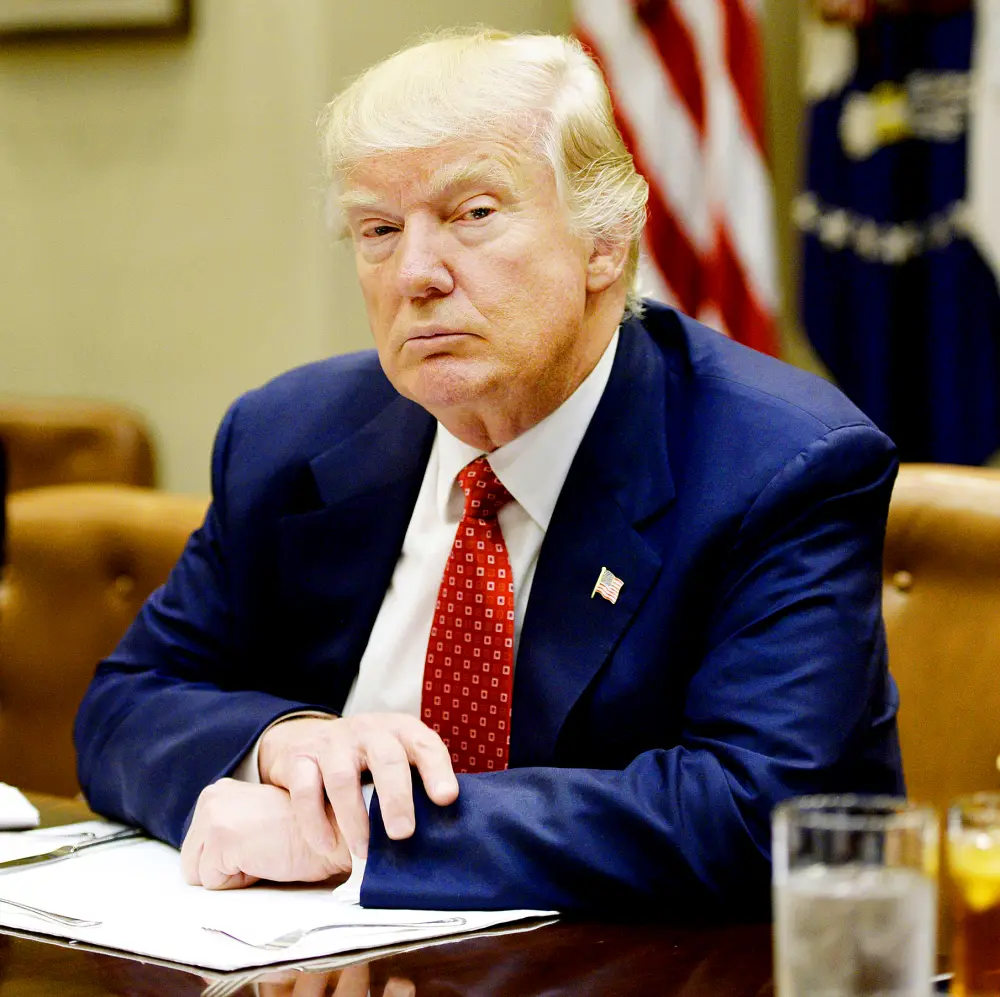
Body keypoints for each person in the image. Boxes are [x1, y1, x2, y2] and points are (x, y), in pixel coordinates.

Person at [74, 28, 903, 918]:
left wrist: (358, 828)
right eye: (379, 230)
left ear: (605, 242)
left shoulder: (780, 465)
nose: (417, 274)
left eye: (473, 214)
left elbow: (759, 811)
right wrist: (284, 743)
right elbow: (125, 705)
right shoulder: (286, 438)